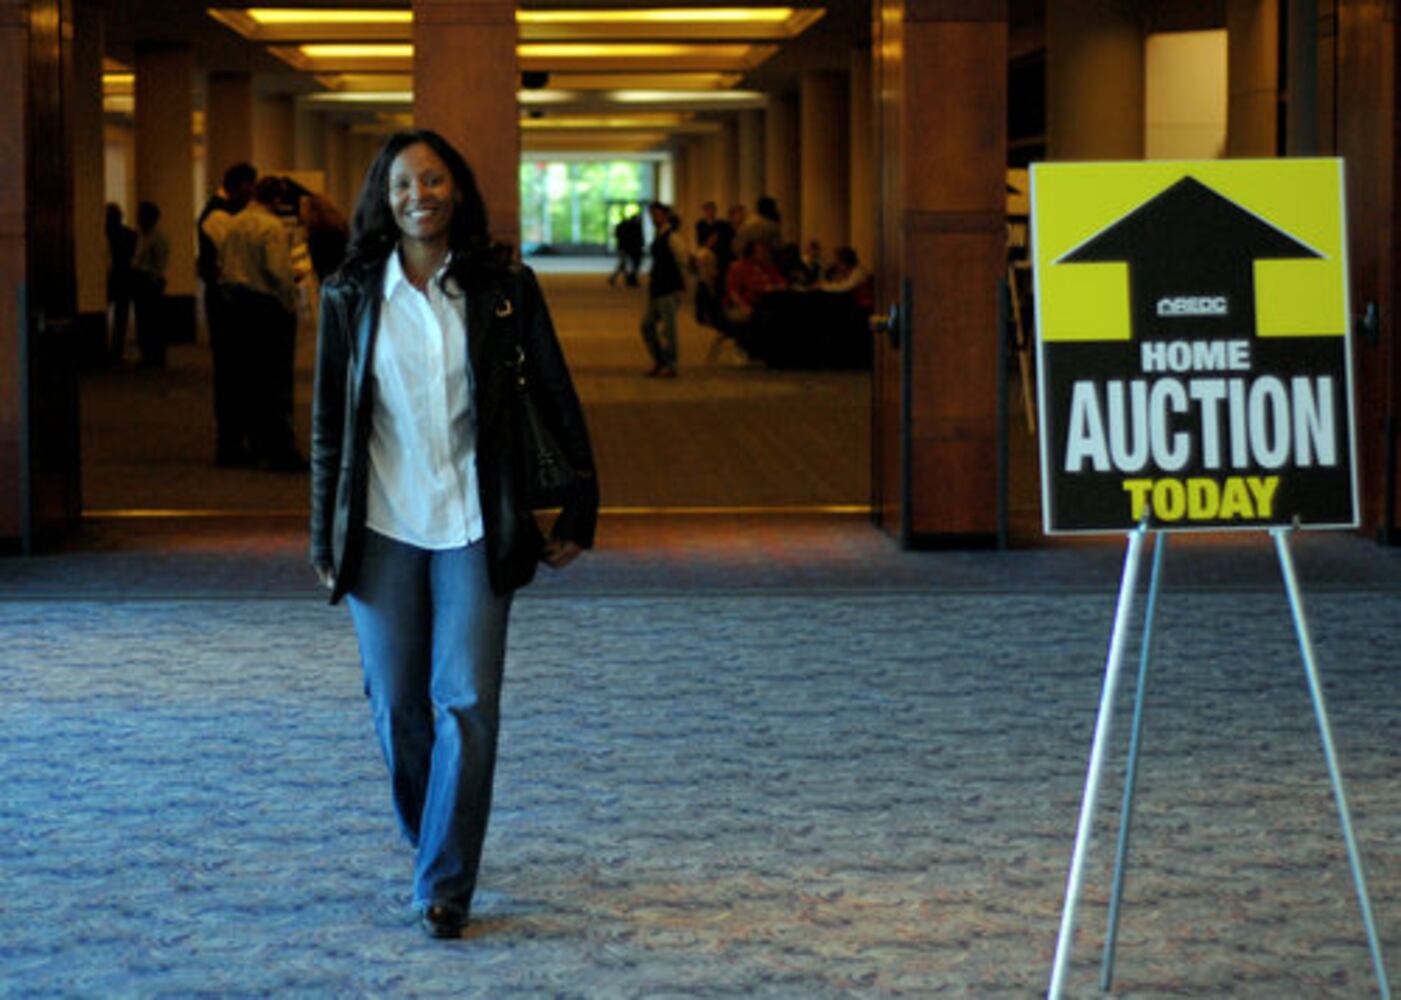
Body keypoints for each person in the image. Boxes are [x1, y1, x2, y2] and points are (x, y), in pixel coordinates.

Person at [309, 129, 598, 941]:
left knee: (466, 703)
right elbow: (330, 425)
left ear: (457, 191)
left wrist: (579, 504)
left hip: (476, 520)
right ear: (383, 197)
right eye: (403, 184)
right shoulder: (350, 294)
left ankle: (444, 883)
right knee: (396, 705)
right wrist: (322, 533)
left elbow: (555, 394)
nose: (419, 196)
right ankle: (431, 835)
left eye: (433, 180)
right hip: (381, 524)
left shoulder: (503, 288)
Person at [220, 175, 306, 470]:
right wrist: (290, 303)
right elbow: (277, 271)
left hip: (235, 305)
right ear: (277, 199)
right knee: (275, 379)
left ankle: (245, 442)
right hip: (265, 306)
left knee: (243, 377)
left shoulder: (234, 223)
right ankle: (279, 448)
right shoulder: (271, 227)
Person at [200, 163, 257, 465]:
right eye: (249, 187)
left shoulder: (219, 213)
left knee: (233, 372)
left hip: (225, 299)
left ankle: (234, 438)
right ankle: (230, 442)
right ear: (239, 185)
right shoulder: (217, 217)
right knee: (230, 372)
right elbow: (232, 252)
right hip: (226, 301)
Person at [640, 201, 686, 378]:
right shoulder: (659, 235)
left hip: (669, 288)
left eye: (657, 215)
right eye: (652, 215)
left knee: (669, 329)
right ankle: (660, 360)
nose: (654, 218)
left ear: (666, 216)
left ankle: (670, 364)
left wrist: (681, 287)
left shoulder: (673, 237)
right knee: (647, 326)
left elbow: (682, 261)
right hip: (657, 288)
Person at [130, 201, 170, 367]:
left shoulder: (158, 238)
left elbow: (160, 263)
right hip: (140, 280)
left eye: (141, 216)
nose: (138, 219)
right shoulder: (141, 236)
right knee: (143, 320)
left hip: (151, 281)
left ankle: (156, 356)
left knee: (153, 321)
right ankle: (146, 354)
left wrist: (154, 277)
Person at [105, 203, 137, 365]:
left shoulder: (102, 234)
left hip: (111, 277)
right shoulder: (130, 235)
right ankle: (116, 351)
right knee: (121, 317)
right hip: (125, 278)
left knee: (113, 314)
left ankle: (108, 349)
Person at [610, 212, 643, 287]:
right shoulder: (633, 226)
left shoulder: (624, 226)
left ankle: (626, 278)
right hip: (626, 247)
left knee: (624, 263)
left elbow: (617, 235)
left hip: (624, 247)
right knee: (624, 263)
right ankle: (627, 279)